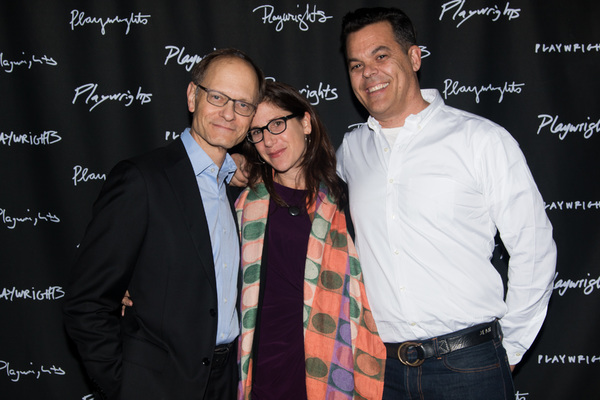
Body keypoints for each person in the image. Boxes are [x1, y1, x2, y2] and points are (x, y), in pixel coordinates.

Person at [336, 7, 557, 400]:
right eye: (356, 64)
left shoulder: (481, 140)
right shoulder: (351, 152)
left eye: (381, 56)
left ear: (414, 57)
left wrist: (510, 349)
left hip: (469, 366)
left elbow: (534, 246)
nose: (369, 72)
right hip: (381, 372)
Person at [62, 48, 265, 400]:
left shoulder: (241, 191)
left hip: (227, 381)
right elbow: (87, 302)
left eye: (243, 104)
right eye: (217, 97)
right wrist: (125, 386)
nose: (229, 113)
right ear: (192, 96)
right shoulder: (141, 180)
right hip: (158, 386)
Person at [235, 81, 386, 399]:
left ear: (305, 122)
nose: (268, 140)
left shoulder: (346, 199)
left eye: (277, 124)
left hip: (334, 366)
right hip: (262, 372)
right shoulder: (241, 203)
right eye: (258, 131)